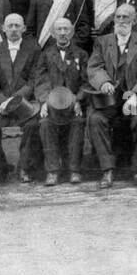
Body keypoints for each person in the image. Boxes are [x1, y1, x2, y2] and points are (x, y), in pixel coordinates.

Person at [86, 3, 137, 188]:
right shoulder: (102, 42)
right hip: (110, 100)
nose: (121, 21)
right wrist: (103, 82)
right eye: (118, 17)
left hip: (135, 97)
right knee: (95, 118)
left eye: (126, 17)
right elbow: (94, 67)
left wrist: (136, 95)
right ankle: (107, 170)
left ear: (134, 21)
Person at [0, 14, 42, 183]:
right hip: (0, 102)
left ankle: (23, 167)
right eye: (10, 26)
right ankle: (0, 167)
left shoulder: (34, 49)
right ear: (3, 28)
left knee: (33, 123)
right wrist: (3, 101)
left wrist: (15, 101)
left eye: (17, 26)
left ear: (24, 28)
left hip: (25, 102)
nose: (14, 29)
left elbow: (33, 80)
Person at [34, 17, 88, 185]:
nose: (63, 33)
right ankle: (52, 171)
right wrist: (44, 102)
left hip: (73, 106)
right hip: (52, 105)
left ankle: (74, 170)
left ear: (71, 32)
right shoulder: (46, 55)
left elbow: (86, 82)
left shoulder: (81, 54)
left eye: (66, 29)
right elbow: (41, 82)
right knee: (45, 124)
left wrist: (78, 99)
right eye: (59, 30)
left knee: (78, 123)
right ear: (53, 33)